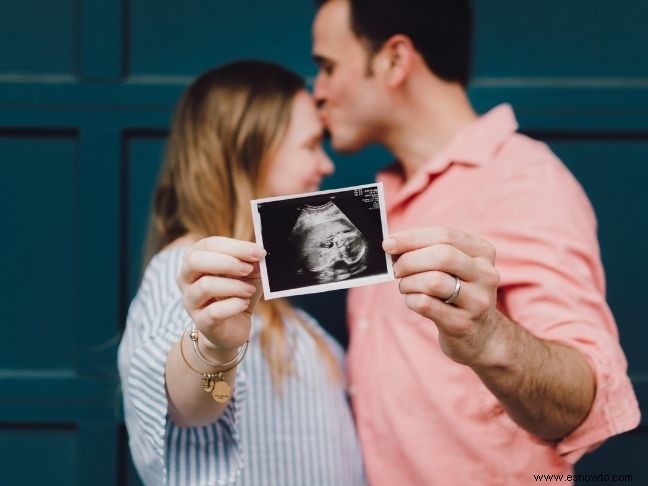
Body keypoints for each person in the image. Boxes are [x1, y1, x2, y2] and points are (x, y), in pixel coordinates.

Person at [311, 0, 641, 484]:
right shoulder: (378, 202)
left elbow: (583, 403)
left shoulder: (522, 180)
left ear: (395, 60)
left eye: (327, 67)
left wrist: (487, 337)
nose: (316, 92)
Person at [118, 60, 365, 486]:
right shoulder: (188, 273)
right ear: (248, 152)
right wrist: (214, 348)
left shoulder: (269, 299)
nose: (326, 165)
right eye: (309, 145)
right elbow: (186, 405)